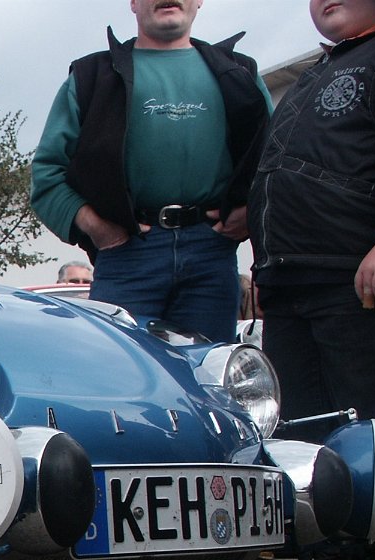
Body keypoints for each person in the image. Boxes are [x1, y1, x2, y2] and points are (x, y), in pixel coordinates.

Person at [248, 0, 375, 560]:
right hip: (289, 276)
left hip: (354, 269)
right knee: (310, 423)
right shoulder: (315, 73)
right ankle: (339, 550)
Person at [30, 0, 273, 343]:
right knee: (119, 370)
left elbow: (279, 165)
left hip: (212, 254)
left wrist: (251, 213)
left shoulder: (240, 74)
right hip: (126, 253)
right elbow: (47, 174)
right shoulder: (91, 77)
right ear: (133, 3)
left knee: (205, 373)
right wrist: (98, 228)